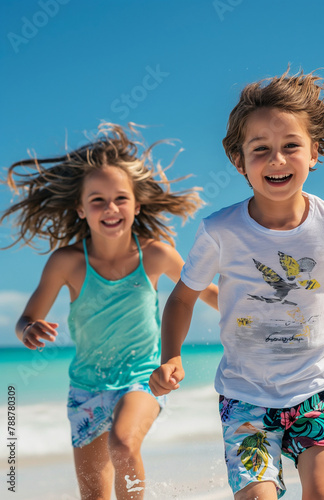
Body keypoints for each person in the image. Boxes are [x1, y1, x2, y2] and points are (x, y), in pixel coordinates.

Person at [149, 69, 324, 500]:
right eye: (261, 150)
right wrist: (171, 355)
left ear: (314, 152)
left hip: (315, 392)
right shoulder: (220, 231)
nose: (277, 160)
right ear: (239, 160)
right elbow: (182, 298)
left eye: (290, 147)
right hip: (244, 399)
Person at [1, 122, 218, 500]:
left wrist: (256, 305)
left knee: (122, 444)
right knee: (94, 496)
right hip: (86, 387)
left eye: (120, 198)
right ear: (81, 209)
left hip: (141, 379)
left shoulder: (155, 253)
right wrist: (28, 331)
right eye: (97, 200)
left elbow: (204, 292)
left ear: (136, 204)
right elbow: (26, 319)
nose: (110, 208)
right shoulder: (67, 263)